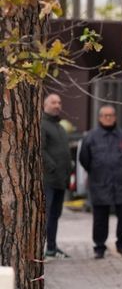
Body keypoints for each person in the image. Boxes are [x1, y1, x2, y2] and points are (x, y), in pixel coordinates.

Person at [78, 105, 122, 259]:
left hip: (121, 184)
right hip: (100, 183)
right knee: (100, 218)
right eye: (105, 115)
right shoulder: (91, 137)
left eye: (111, 115)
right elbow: (84, 159)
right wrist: (96, 171)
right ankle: (99, 247)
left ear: (115, 117)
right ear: (99, 117)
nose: (108, 118)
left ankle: (121, 245)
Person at [41, 93, 72, 258]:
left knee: (55, 215)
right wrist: (51, 167)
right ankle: (43, 247)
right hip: (48, 179)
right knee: (46, 214)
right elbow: (40, 149)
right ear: (45, 105)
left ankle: (52, 247)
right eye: (53, 102)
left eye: (59, 102)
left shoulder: (60, 127)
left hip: (61, 179)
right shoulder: (42, 124)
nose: (57, 105)